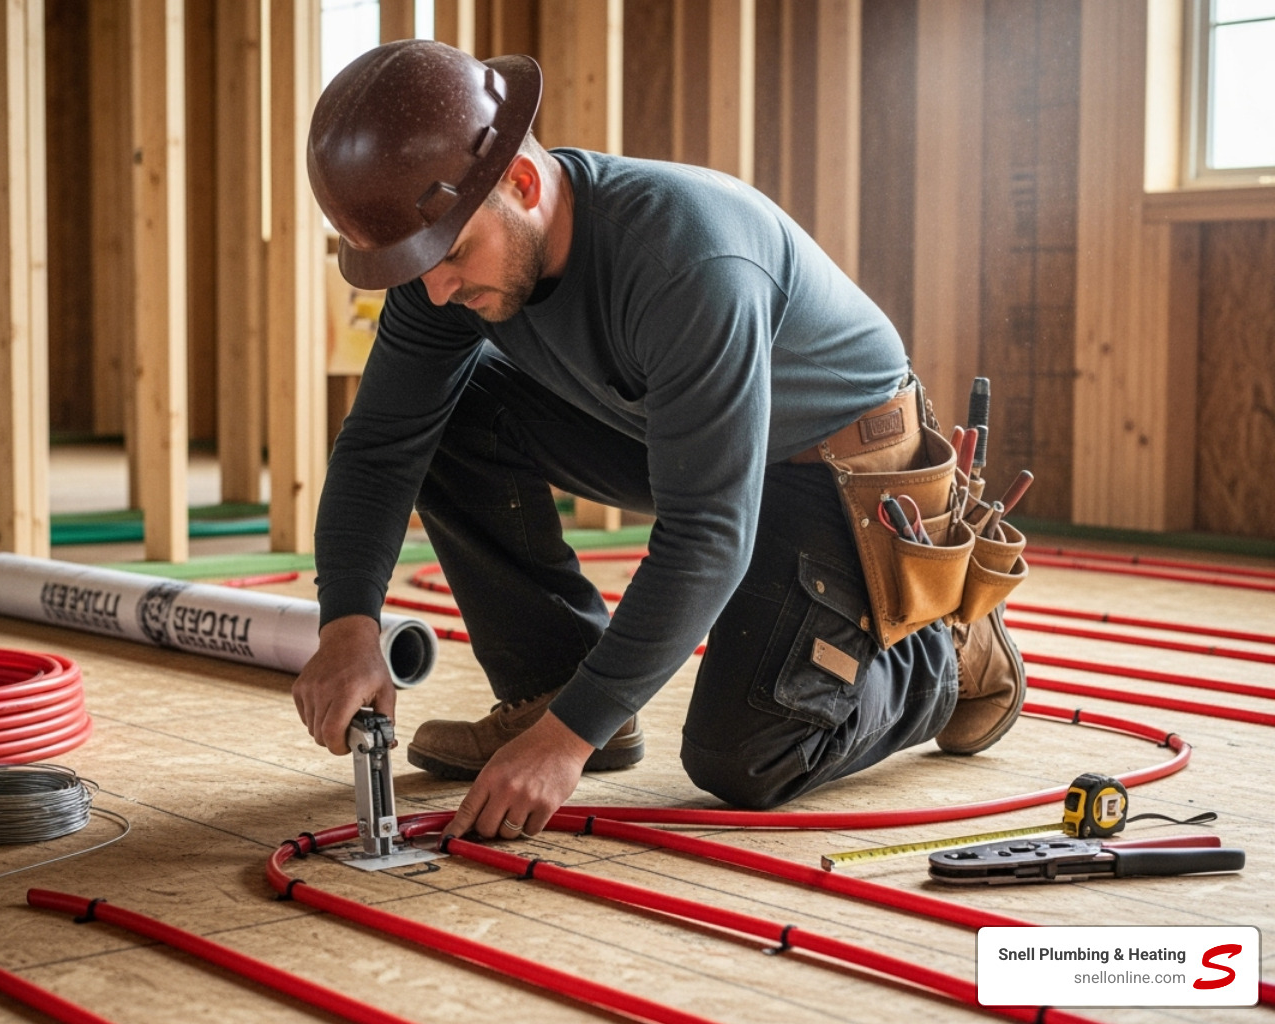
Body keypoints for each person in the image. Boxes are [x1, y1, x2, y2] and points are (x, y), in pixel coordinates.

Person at [291, 40, 1025, 842]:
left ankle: (943, 655)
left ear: (524, 184)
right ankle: (550, 681)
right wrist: (349, 621)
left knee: (746, 753)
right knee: (450, 418)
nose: (437, 289)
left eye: (454, 255)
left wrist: (567, 743)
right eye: (416, 265)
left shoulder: (688, 257)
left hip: (836, 468)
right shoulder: (442, 271)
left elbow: (708, 533)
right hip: (679, 430)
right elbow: (382, 443)